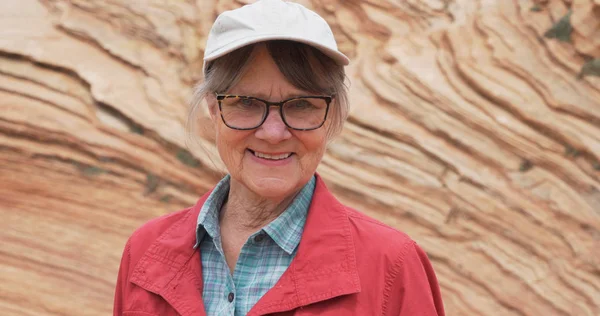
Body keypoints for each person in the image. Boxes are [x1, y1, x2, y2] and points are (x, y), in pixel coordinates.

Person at [113, 0, 445, 315]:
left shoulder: (391, 264)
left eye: (301, 105)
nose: (273, 133)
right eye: (246, 102)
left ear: (331, 116)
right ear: (214, 109)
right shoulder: (145, 251)